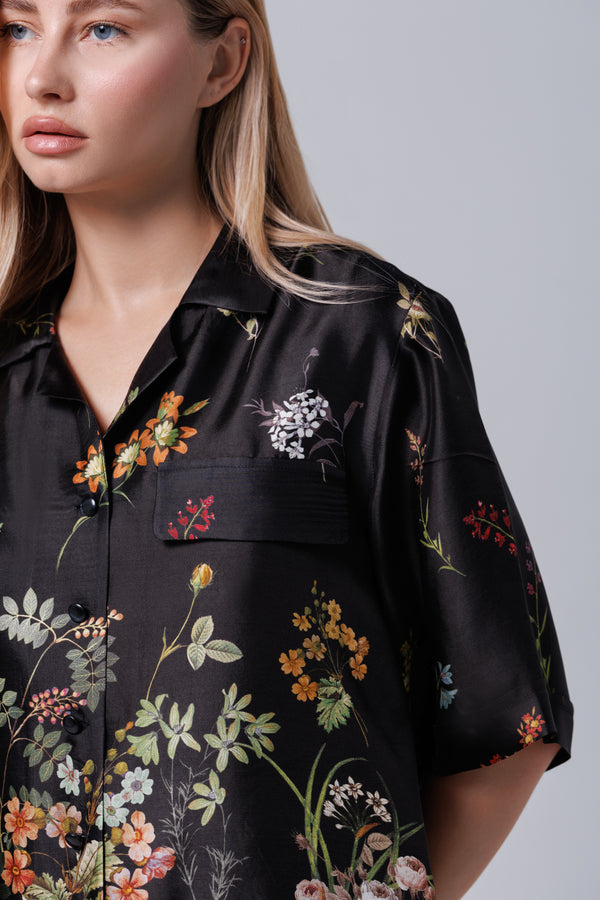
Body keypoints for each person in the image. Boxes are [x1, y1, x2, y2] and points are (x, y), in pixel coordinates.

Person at [0, 1, 572, 899]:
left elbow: (504, 716)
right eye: (15, 27)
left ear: (223, 63)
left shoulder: (367, 338)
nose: (42, 76)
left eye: (104, 27)